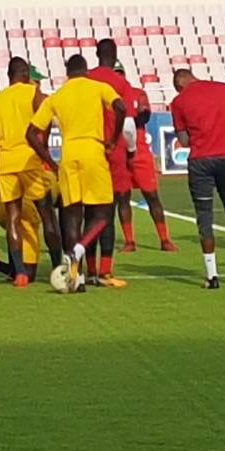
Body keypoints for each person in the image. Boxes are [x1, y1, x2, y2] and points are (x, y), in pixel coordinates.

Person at [26, 54, 126, 291]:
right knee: (103, 214)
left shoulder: (57, 96)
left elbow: (31, 133)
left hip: (68, 155)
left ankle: (77, 279)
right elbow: (120, 107)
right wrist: (112, 139)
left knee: (72, 216)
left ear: (67, 73)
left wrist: (49, 160)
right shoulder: (97, 87)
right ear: (86, 70)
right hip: (93, 151)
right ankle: (77, 251)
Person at [0, 56, 64, 288]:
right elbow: (48, 111)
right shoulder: (32, 94)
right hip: (29, 160)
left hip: (6, 164)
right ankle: (58, 267)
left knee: (13, 218)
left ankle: (19, 273)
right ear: (23, 74)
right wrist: (45, 141)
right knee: (47, 214)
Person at [170, 67, 225, 288]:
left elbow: (184, 140)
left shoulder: (178, 102)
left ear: (179, 85)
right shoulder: (223, 89)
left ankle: (212, 276)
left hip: (200, 161)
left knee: (204, 216)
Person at [86, 39, 139, 279]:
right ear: (115, 55)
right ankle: (105, 269)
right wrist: (129, 150)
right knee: (109, 208)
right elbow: (128, 122)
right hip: (113, 150)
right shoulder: (121, 83)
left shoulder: (84, 79)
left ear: (96, 54)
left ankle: (88, 268)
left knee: (88, 209)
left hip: (89, 148)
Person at [115, 62, 176, 251]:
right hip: (119, 151)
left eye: (120, 73)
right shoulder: (106, 95)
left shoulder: (137, 92)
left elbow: (145, 115)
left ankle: (165, 239)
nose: (118, 77)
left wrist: (127, 120)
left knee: (151, 195)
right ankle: (129, 241)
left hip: (139, 150)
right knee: (122, 197)